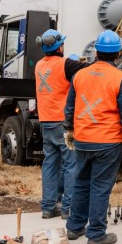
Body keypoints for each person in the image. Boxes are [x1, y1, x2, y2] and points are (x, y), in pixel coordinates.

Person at [63, 30, 122, 244]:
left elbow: (70, 107)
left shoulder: (79, 75)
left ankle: (74, 227)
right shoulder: (120, 78)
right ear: (118, 54)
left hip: (83, 139)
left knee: (81, 182)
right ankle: (96, 234)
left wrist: (69, 129)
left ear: (96, 51)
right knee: (99, 187)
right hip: (107, 142)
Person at [34, 29, 87, 220]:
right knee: (70, 164)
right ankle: (68, 208)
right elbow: (88, 69)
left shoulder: (39, 65)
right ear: (59, 46)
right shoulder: (65, 64)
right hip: (62, 123)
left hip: (45, 121)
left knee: (49, 164)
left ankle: (48, 208)